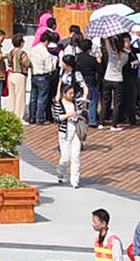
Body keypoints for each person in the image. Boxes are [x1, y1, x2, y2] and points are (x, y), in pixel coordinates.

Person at [55, 54, 88, 189]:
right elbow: (57, 117)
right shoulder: (60, 103)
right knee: (65, 158)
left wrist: (84, 98)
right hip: (64, 132)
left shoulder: (77, 75)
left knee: (76, 157)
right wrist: (58, 94)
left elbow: (84, 87)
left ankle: (75, 181)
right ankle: (60, 172)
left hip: (75, 131)